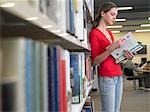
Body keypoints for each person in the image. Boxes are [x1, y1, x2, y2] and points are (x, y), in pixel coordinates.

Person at [89, 2, 132, 112]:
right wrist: (111, 48)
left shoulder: (109, 33)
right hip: (107, 77)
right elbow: (95, 61)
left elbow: (113, 57)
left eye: (116, 16)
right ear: (103, 13)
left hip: (118, 75)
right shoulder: (94, 33)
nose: (115, 18)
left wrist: (125, 56)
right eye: (112, 14)